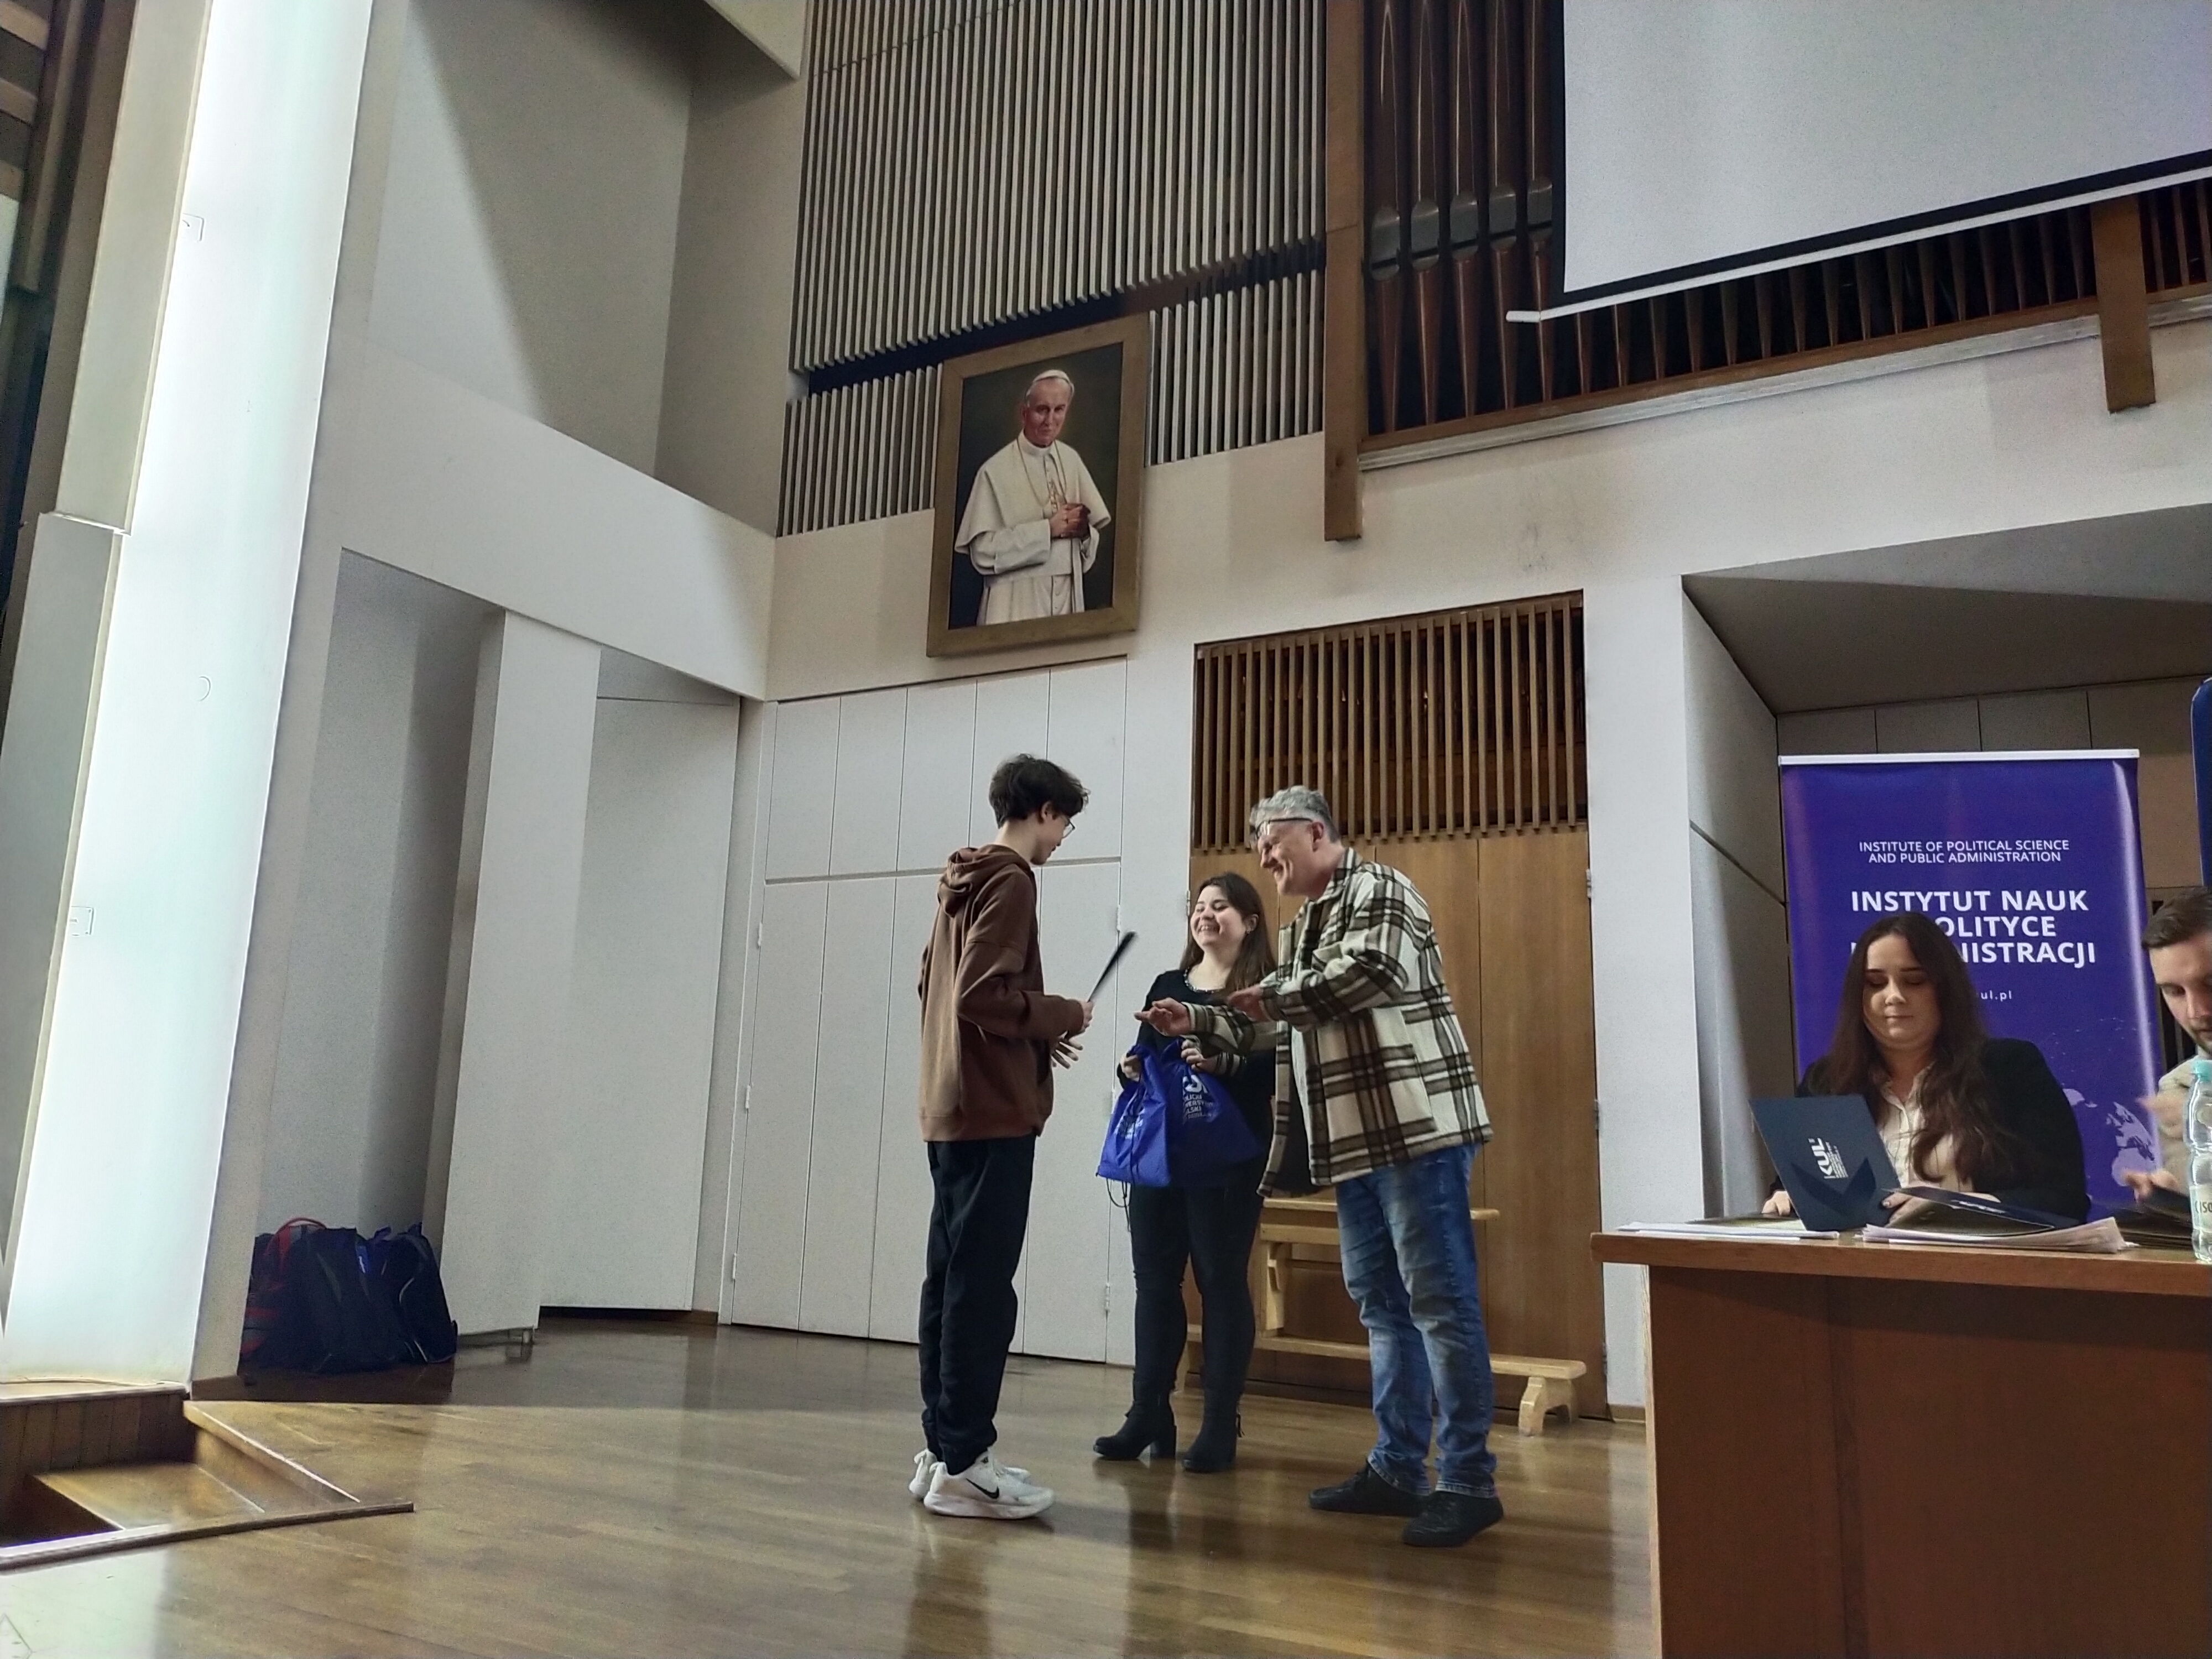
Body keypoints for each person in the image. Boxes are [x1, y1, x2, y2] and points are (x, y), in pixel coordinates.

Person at [1136, 787, 1502, 1549]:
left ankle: (1468, 1482)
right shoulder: (1302, 926)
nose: (1263, 857)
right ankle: (1398, 1469)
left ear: (1313, 832)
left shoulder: (1380, 887)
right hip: (1354, 1147)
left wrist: (1267, 1000)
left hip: (1416, 1134)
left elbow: (1368, 975)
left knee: (1439, 1303)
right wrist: (1196, 1018)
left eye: (1271, 841)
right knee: (1381, 1304)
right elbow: (1276, 1024)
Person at [912, 754, 1094, 1520]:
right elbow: (982, 994)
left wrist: (1029, 1036)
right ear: (1043, 811)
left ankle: (943, 1451)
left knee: (950, 1283)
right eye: (1064, 825)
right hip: (993, 1115)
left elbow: (933, 985)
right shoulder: (1013, 879)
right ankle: (964, 1463)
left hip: (950, 1106)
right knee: (982, 1290)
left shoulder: (961, 878)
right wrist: (1061, 1015)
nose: (1061, 841)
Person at [1095, 874, 1277, 1474]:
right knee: (1153, 1280)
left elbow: (1280, 1071)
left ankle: (1220, 1422)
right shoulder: (1168, 984)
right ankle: (1149, 1412)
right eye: (1200, 907)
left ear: (1249, 921)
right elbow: (1146, 1053)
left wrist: (1226, 1064)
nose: (1206, 915)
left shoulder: (1265, 991)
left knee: (1220, 1281)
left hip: (1230, 1156)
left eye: (1220, 906)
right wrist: (1130, 1067)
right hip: (1161, 1153)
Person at [1763, 910, 2089, 1220]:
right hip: (1858, 1258)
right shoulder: (1825, 1082)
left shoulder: (2010, 1069)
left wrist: (1957, 1208)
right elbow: (1794, 1185)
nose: (1894, 996)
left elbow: (2065, 1200)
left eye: (1915, 981)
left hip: (1977, 1259)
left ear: (1945, 990)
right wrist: (1786, 1199)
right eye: (1875, 983)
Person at [952, 369, 1112, 624]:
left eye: (1059, 410)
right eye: (1042, 410)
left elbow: (1086, 551)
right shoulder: (995, 470)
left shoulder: (1071, 460)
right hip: (1014, 601)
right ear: (1023, 413)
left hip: (1067, 599)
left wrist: (1084, 534)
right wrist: (1047, 530)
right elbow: (981, 552)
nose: (1050, 420)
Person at [2122, 886, 2212, 1200]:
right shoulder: (2180, 1089)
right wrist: (2175, 1201)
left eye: (2210, 984)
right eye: (2175, 991)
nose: (2197, 1011)